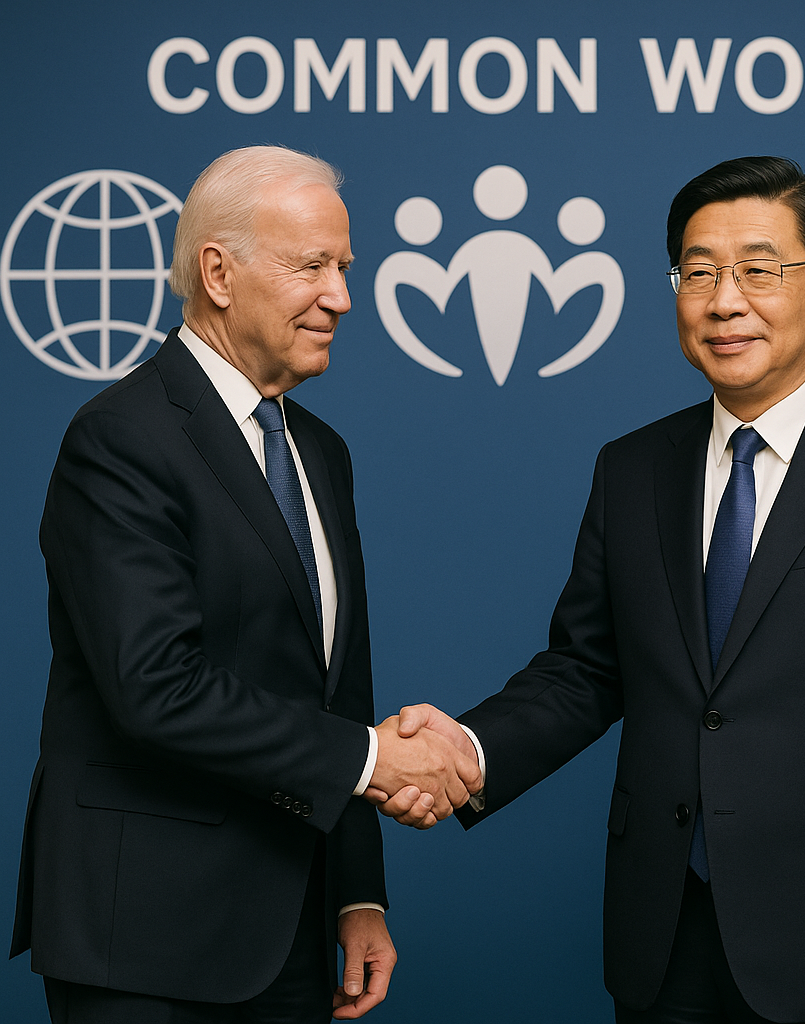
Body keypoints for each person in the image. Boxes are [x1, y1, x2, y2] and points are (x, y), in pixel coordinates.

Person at [375, 157, 805, 1024]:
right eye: (699, 272)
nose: (724, 300)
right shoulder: (634, 467)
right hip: (662, 930)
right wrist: (467, 754)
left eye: (758, 269)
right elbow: (587, 670)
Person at [9, 145, 480, 1024]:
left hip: (294, 933)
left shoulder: (321, 453)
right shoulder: (120, 439)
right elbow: (155, 688)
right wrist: (380, 762)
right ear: (218, 273)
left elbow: (337, 688)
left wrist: (354, 894)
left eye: (345, 268)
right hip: (146, 942)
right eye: (313, 267)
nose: (342, 297)